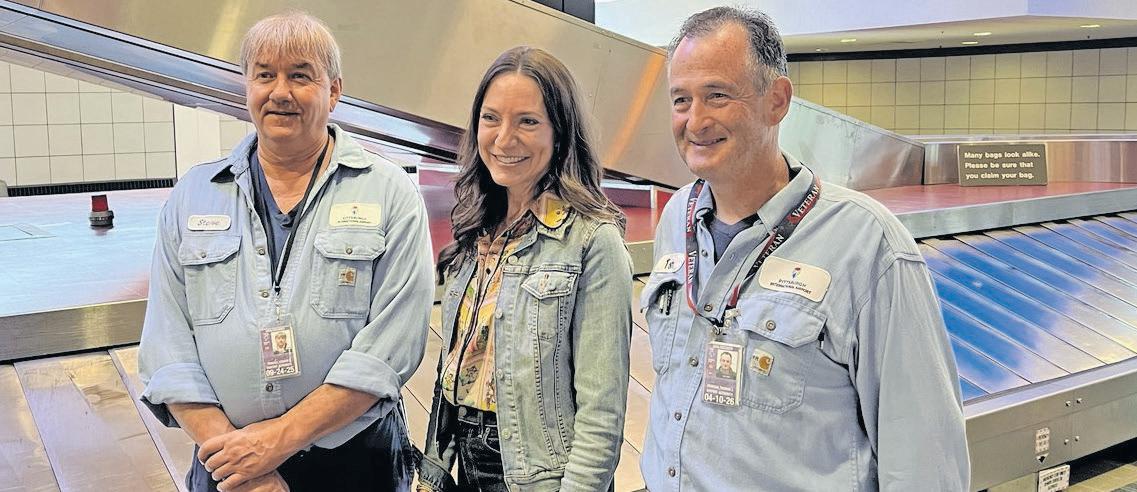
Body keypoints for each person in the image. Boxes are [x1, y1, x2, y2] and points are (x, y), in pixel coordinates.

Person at [640, 6, 970, 491]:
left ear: (777, 101)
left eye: (717, 95)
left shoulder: (867, 244)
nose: (696, 120)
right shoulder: (677, 220)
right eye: (681, 100)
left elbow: (926, 459)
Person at [137, 11, 433, 492]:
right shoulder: (195, 194)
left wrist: (275, 442)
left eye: (300, 75)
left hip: (357, 465)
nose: (280, 92)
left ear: (334, 91)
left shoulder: (389, 194)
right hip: (228, 469)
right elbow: (166, 348)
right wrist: (241, 464)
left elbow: (390, 348)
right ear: (246, 86)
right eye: (264, 75)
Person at [418, 46, 633, 491]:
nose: (503, 139)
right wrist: (432, 473)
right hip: (465, 461)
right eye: (491, 118)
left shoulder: (592, 241)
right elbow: (455, 369)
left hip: (540, 476)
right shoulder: (475, 229)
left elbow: (601, 412)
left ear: (561, 132)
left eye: (528, 121)